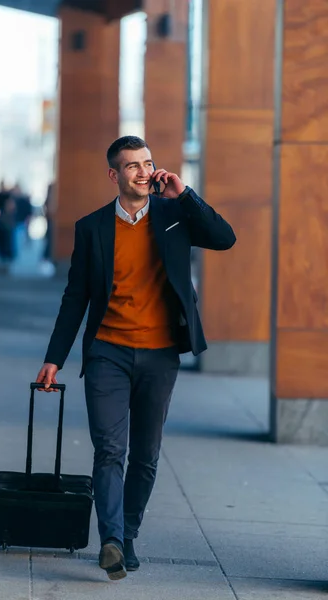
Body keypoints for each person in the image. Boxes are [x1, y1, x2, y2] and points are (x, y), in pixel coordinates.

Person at [35, 136, 236, 580]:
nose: (144, 172)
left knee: (145, 455)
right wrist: (55, 357)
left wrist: (184, 195)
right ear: (114, 175)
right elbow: (76, 297)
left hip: (161, 354)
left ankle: (126, 535)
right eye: (132, 167)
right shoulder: (92, 228)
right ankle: (109, 539)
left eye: (148, 164)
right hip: (107, 352)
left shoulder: (174, 215)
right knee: (110, 450)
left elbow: (225, 238)